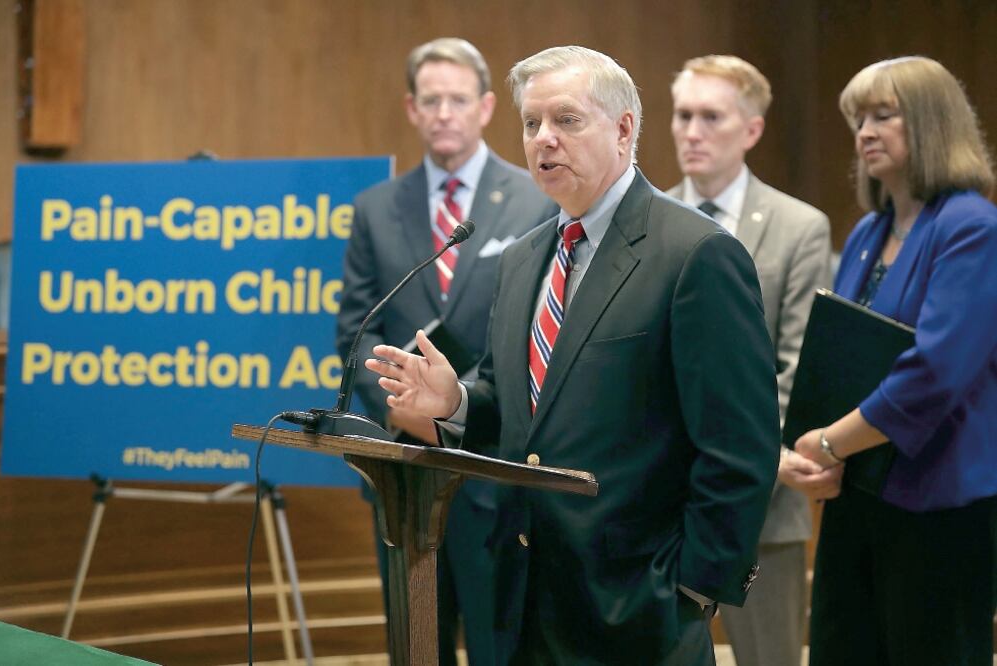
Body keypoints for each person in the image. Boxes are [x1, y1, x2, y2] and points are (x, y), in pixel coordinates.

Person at [365, 45, 780, 665]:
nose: (543, 140)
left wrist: (692, 589)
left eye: (567, 120)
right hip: (520, 602)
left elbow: (741, 446)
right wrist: (453, 405)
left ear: (623, 129)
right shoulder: (522, 258)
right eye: (531, 123)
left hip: (638, 612)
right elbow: (516, 418)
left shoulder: (695, 253)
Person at [335, 37, 555, 666]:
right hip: (402, 469)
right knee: (413, 643)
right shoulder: (376, 209)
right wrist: (402, 400)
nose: (443, 113)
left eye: (457, 100)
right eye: (430, 100)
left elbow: (544, 326)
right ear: (411, 108)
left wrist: (456, 405)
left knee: (497, 644)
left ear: (486, 107)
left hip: (492, 462)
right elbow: (357, 328)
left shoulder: (535, 197)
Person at [782, 56, 997, 666]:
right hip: (858, 491)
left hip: (937, 502)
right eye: (858, 119)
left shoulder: (972, 227)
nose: (864, 132)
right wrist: (819, 451)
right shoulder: (869, 231)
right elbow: (842, 352)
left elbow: (933, 373)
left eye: (883, 115)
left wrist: (826, 444)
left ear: (932, 124)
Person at [667, 55, 832, 666]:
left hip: (764, 498)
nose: (691, 131)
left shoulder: (798, 227)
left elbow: (794, 365)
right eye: (683, 115)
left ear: (752, 130)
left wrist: (740, 464)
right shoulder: (647, 221)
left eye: (711, 116)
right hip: (665, 498)